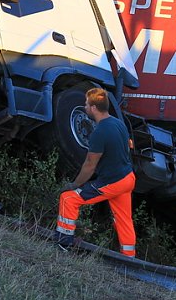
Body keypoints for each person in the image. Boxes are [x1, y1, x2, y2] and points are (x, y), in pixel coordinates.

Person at [56, 88, 137, 257]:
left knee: (68, 199)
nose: (85, 107)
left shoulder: (99, 132)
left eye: (86, 104)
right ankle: (129, 258)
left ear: (93, 108)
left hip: (113, 182)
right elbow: (128, 147)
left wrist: (75, 184)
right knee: (124, 219)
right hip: (128, 178)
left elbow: (89, 165)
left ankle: (63, 244)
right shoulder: (118, 123)